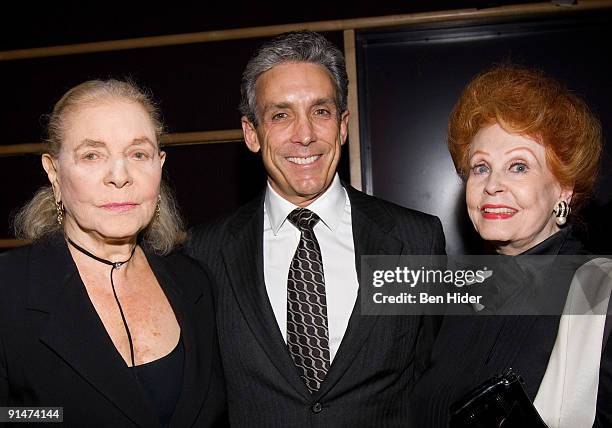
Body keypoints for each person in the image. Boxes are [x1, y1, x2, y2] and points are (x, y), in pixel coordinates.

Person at [185, 30, 446, 426]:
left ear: (342, 126)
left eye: (320, 112)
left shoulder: (413, 240)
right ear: (252, 134)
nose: (304, 135)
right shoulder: (205, 251)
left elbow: (435, 381)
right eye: (281, 114)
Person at [0, 79, 226, 427]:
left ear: (160, 165)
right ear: (54, 172)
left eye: (138, 154)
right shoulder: (8, 291)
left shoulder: (196, 282)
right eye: (92, 155)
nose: (120, 176)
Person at [411, 64, 611, 427]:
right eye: (481, 167)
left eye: (519, 166)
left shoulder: (600, 293)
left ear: (564, 188)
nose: (492, 185)